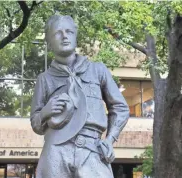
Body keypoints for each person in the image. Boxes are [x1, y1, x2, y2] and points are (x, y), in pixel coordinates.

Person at [30, 15, 129, 178]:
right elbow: (36, 124)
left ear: (76, 36)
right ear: (48, 43)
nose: (64, 36)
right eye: (57, 33)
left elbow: (120, 107)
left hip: (92, 149)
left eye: (69, 31)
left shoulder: (98, 70)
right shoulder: (45, 79)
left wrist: (110, 140)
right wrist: (44, 112)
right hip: (55, 150)